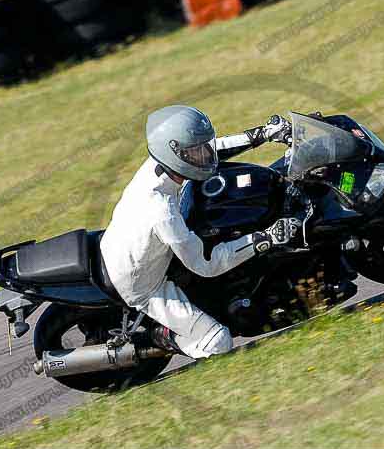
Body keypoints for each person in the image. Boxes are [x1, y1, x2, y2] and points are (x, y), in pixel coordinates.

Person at [100, 105, 300, 359]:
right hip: (141, 284)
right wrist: (266, 238)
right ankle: (161, 335)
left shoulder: (160, 164)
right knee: (217, 342)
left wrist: (261, 134)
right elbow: (206, 265)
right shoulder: (161, 211)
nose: (206, 154)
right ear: (176, 154)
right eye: (197, 150)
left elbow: (213, 151)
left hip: (125, 244)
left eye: (202, 146)